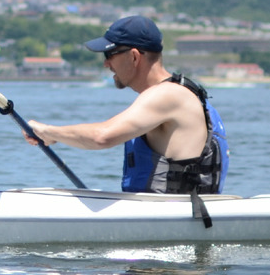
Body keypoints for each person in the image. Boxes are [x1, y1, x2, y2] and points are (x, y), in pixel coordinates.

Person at [22, 16, 228, 194]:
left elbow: (102, 137)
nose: (106, 63)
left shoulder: (167, 95)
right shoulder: (176, 92)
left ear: (134, 56)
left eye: (109, 55)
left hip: (174, 219)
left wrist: (49, 132)